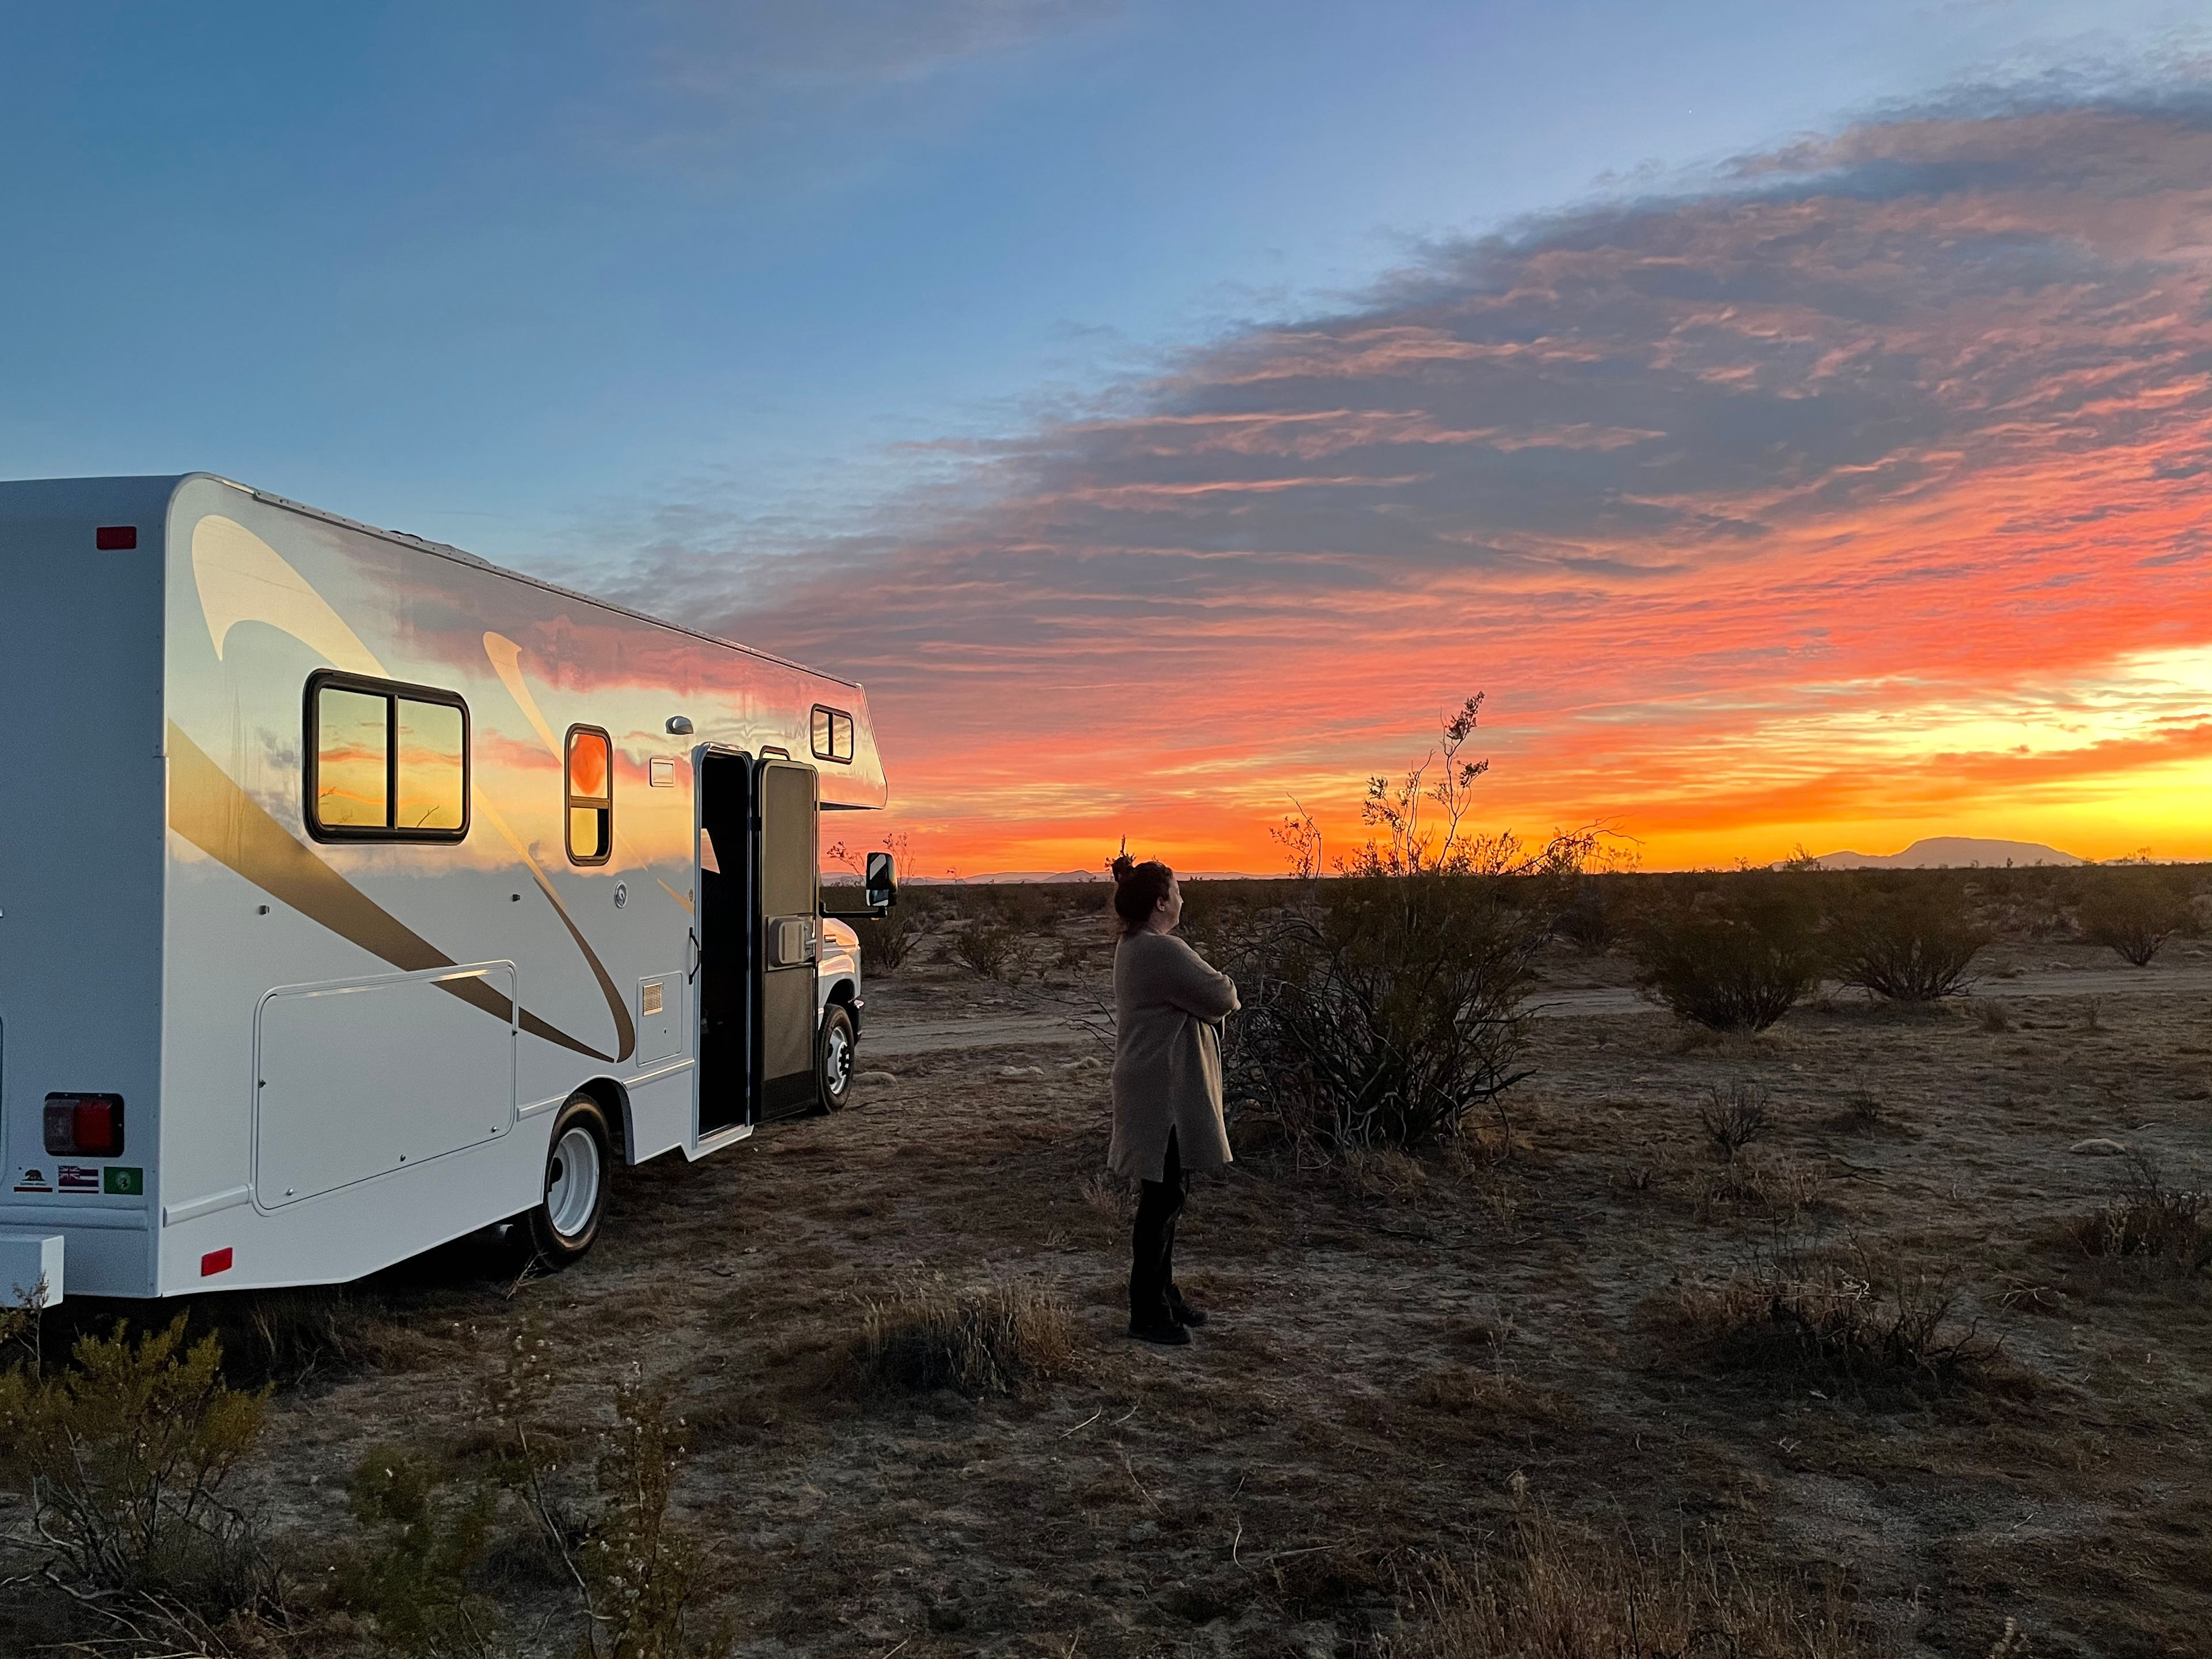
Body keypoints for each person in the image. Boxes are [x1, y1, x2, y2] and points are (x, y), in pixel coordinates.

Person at [1107, 852, 1240, 1346]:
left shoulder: (1134, 945)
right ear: (1162, 902)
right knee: (1162, 1201)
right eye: (1178, 890)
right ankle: (1147, 1312)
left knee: (1165, 1196)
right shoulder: (1162, 950)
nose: (1183, 897)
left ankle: (1163, 1297)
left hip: (1151, 1085)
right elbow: (1222, 995)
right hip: (1161, 1091)